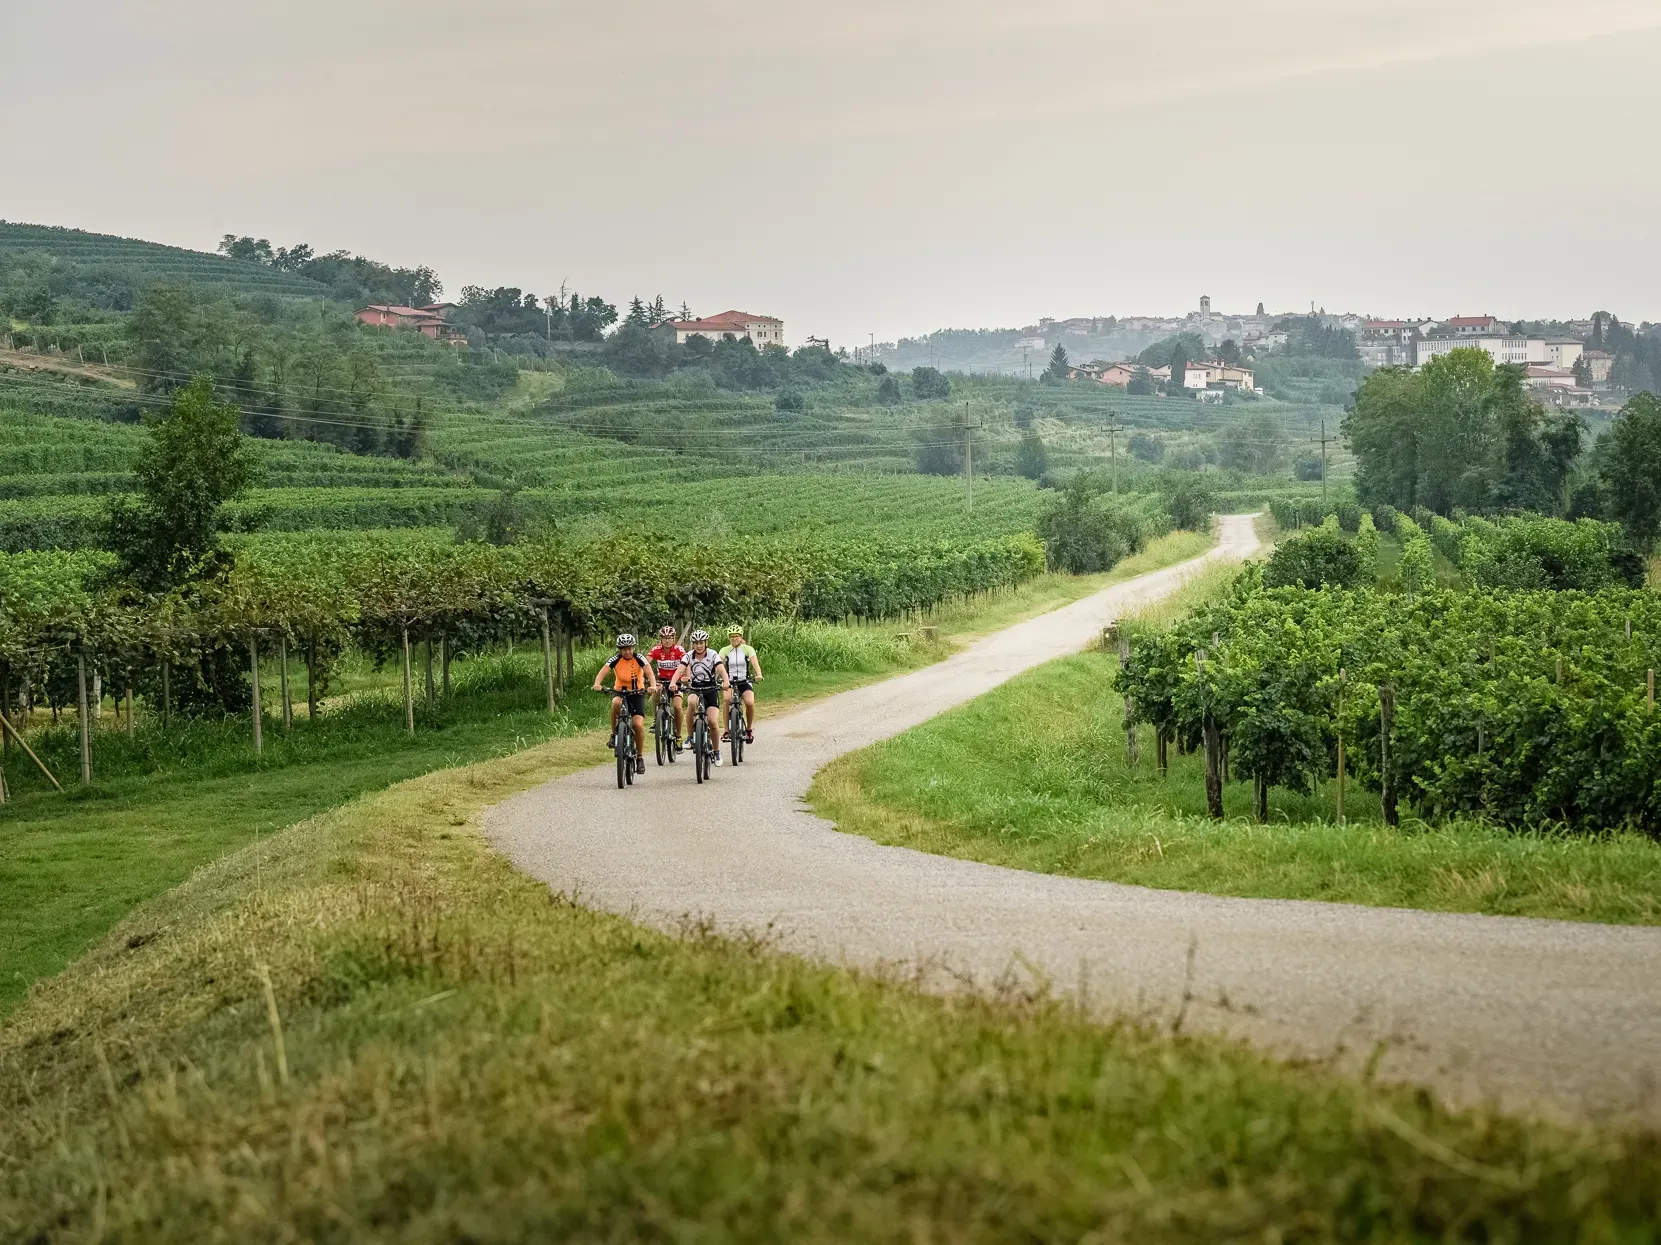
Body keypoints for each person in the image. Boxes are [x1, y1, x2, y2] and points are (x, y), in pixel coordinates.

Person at [592, 632, 657, 776]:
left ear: (633, 648)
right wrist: (597, 684)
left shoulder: (639, 658)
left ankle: (639, 757)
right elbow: (602, 672)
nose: (627, 651)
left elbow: (650, 673)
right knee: (615, 702)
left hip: (637, 693)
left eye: (629, 648)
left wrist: (652, 686)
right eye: (624, 649)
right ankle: (614, 734)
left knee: (638, 725)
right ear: (620, 650)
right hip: (620, 692)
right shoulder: (615, 659)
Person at [671, 629, 730, 766]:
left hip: (711, 690)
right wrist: (673, 682)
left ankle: (716, 751)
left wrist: (726, 681)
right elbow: (679, 670)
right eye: (696, 643)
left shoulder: (713, 654)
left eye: (701, 643)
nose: (699, 646)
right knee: (691, 702)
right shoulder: (688, 656)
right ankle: (690, 737)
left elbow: (721, 669)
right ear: (693, 644)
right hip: (695, 688)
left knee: (713, 722)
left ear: (706, 643)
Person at [718, 625, 763, 745]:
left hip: (744, 681)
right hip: (730, 682)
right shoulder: (725, 650)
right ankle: (726, 731)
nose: (734, 639)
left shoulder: (748, 649)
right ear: (729, 638)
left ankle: (748, 729)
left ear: (741, 637)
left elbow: (755, 662)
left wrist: (758, 674)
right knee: (727, 699)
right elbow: (719, 665)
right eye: (732, 637)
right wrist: (715, 677)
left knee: (750, 702)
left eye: (737, 636)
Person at [647, 624, 687, 744]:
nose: (667, 640)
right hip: (662, 680)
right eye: (664, 638)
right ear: (661, 639)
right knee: (656, 692)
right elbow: (645, 663)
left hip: (677, 682)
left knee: (677, 707)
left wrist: (686, 677)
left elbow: (687, 663)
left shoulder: (679, 650)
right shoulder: (656, 650)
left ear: (674, 638)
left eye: (670, 638)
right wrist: (647, 679)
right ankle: (656, 719)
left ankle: (678, 736)